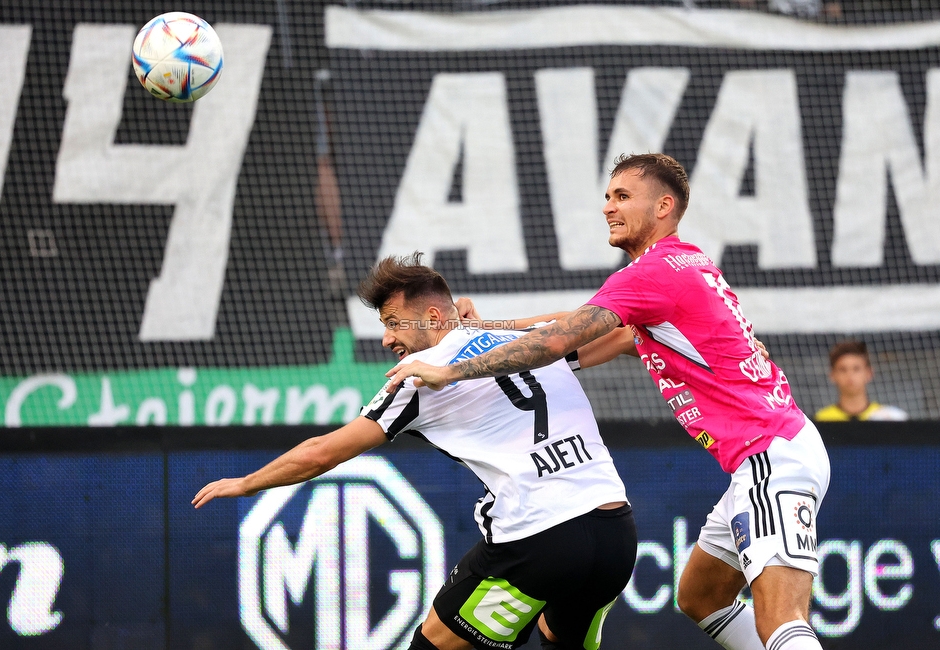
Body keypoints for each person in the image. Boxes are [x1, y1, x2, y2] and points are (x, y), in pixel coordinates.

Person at [386, 153, 831, 650]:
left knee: (783, 621)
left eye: (622, 196)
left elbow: (557, 340)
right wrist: (475, 329)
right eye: (607, 197)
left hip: (769, 453)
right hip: (773, 450)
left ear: (663, 206)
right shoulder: (682, 262)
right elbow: (583, 326)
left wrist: (449, 368)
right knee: (701, 596)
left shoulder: (649, 274)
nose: (608, 208)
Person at [193, 253, 638, 650]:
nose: (387, 338)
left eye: (392, 321)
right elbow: (617, 329)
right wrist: (488, 327)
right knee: (558, 636)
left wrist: (249, 483)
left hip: (540, 538)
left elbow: (321, 454)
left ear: (431, 315)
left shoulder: (417, 378)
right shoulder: (536, 342)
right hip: (616, 532)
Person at [814, 340, 908, 421]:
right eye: (843, 369)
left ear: (869, 373)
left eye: (856, 369)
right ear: (832, 375)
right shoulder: (821, 419)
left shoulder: (887, 417)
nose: (850, 376)